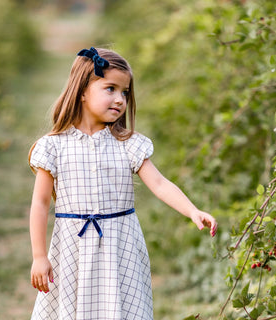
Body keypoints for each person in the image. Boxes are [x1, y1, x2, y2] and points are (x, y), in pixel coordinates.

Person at [28, 47, 217, 320]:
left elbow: (161, 184)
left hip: (121, 245)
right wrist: (39, 256)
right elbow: (41, 203)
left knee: (125, 310)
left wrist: (192, 211)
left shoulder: (127, 144)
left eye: (125, 92)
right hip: (72, 248)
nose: (119, 99)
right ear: (82, 90)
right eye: (110, 89)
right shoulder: (53, 147)